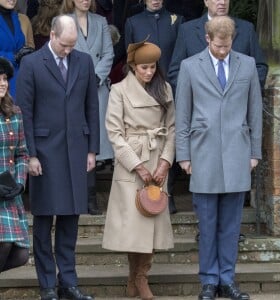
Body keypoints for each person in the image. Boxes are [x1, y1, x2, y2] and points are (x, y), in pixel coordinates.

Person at [175, 16, 262, 300]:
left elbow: (255, 112)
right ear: (207, 39)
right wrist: (183, 154)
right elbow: (183, 114)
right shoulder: (189, 67)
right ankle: (209, 281)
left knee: (232, 225)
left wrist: (255, 152)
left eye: (228, 45)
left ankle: (228, 279)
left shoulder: (247, 64)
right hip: (202, 154)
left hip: (238, 153)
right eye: (219, 46)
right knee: (208, 223)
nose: (224, 51)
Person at [16, 15, 99, 300]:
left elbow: (92, 106)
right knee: (42, 223)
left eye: (72, 45)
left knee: (70, 221)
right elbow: (25, 111)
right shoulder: (30, 64)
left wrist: (92, 150)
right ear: (52, 35)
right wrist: (30, 155)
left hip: (76, 149)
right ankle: (48, 285)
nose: (68, 50)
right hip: (44, 153)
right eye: (65, 45)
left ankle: (69, 283)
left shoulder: (84, 62)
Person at [167, 0, 268, 216]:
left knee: (232, 209)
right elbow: (176, 71)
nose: (221, 2)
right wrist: (195, 96)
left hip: (235, 131)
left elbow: (259, 67)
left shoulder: (246, 29)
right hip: (203, 131)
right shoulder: (187, 29)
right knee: (206, 209)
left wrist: (242, 94)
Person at [102, 40, 175, 300]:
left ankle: (141, 277)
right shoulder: (119, 91)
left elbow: (172, 128)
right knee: (134, 225)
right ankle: (134, 277)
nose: (149, 72)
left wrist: (165, 162)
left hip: (157, 159)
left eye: (153, 67)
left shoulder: (164, 88)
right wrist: (138, 166)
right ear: (132, 66)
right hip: (131, 163)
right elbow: (114, 133)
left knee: (151, 222)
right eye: (144, 67)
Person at [61, 0, 114, 215]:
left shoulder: (101, 21)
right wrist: (81, 78)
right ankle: (73, 196)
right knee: (73, 140)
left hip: (97, 88)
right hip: (71, 88)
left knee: (93, 141)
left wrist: (95, 76)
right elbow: (62, 53)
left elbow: (109, 53)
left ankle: (91, 197)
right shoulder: (63, 21)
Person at [0, 57, 29, 274]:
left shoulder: (14, 112)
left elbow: (22, 153)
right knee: (4, 244)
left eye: (5, 79)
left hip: (9, 193)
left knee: (20, 255)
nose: (3, 83)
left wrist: (19, 182)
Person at [125, 0, 184, 78]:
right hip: (144, 82)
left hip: (171, 81)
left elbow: (181, 56)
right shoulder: (132, 23)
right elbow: (131, 59)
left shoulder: (178, 21)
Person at [0, 0, 26, 99]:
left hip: (17, 82)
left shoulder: (14, 16)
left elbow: (17, 45)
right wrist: (14, 57)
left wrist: (25, 52)